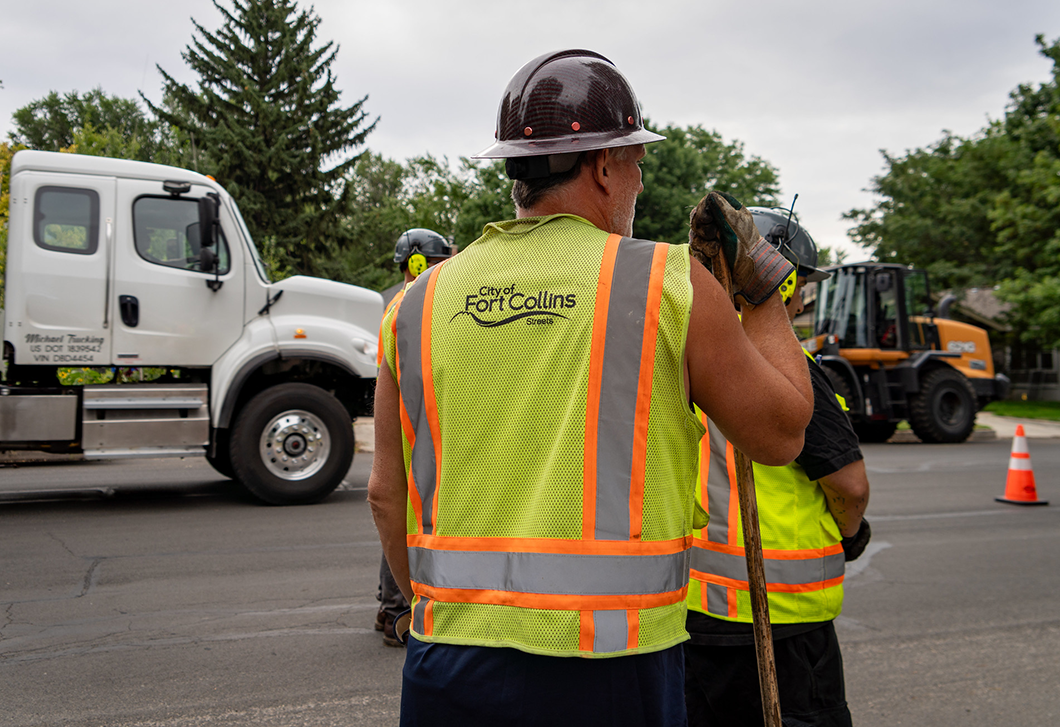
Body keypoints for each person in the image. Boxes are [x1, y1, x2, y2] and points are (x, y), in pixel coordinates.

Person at [368, 49, 814, 727]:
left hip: (447, 663)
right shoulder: (664, 282)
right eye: (636, 163)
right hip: (612, 666)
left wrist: (440, 613)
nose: (638, 181)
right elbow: (782, 433)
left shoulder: (415, 304)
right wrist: (760, 290)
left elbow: (384, 495)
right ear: (604, 166)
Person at [684, 208, 872, 727]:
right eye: (803, 286)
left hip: (696, 610)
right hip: (782, 614)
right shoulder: (791, 377)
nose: (804, 300)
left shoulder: (681, 358)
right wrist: (851, 535)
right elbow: (849, 487)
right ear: (781, 284)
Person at [374, 228, 453, 646]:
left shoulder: (400, 304)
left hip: (408, 420)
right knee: (403, 512)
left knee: (395, 514)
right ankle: (396, 611)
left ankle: (386, 604)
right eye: (438, 259)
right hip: (419, 427)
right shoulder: (418, 304)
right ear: (420, 263)